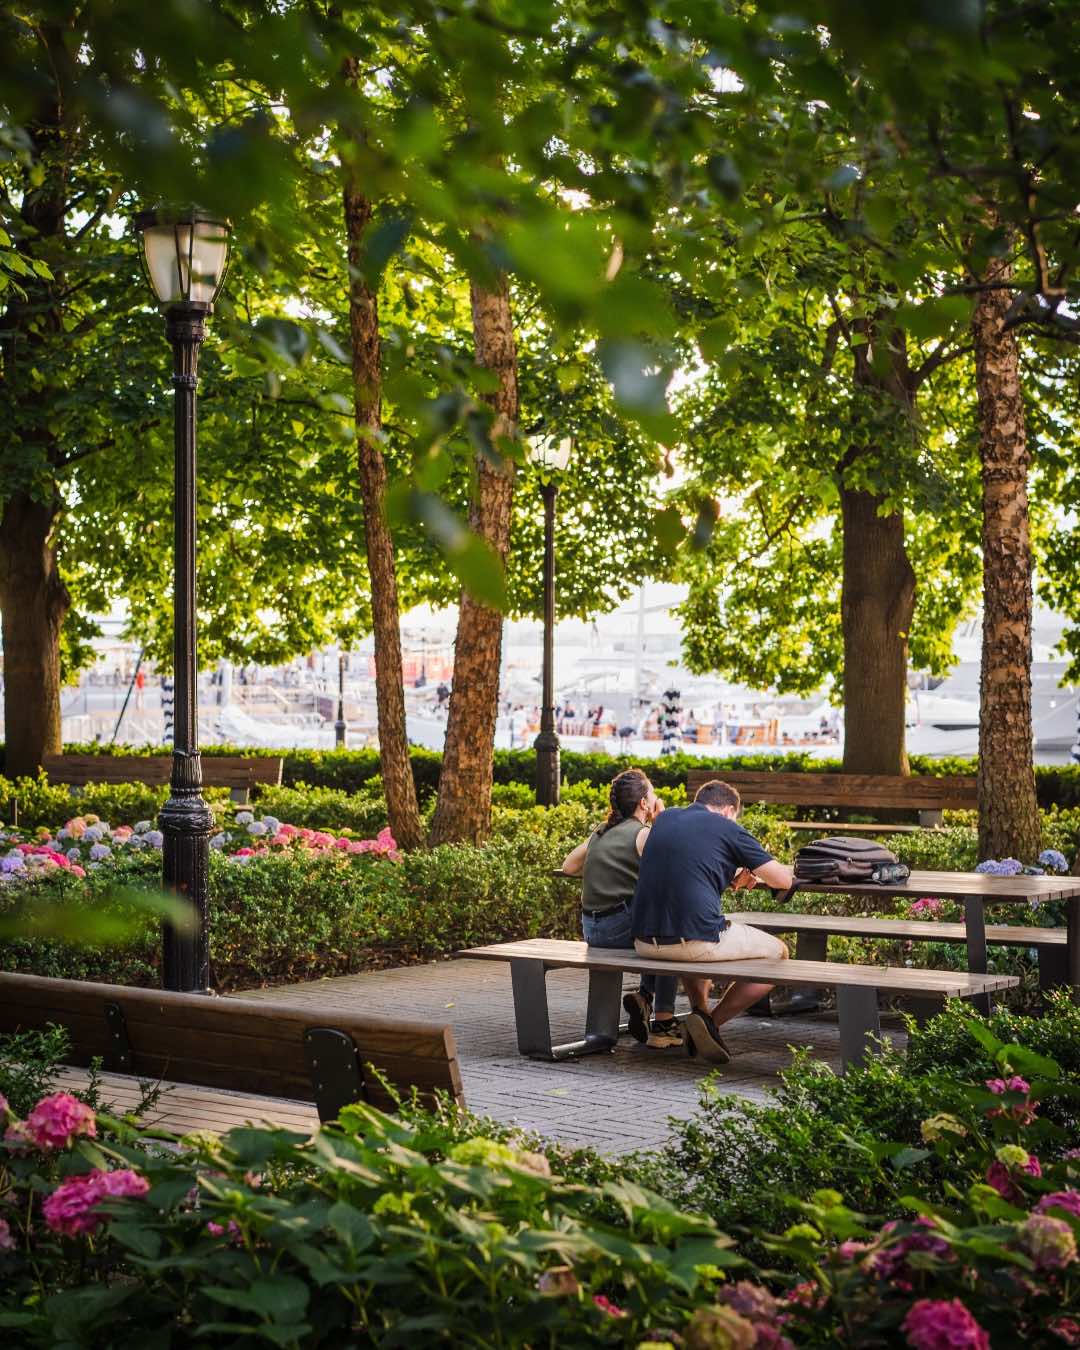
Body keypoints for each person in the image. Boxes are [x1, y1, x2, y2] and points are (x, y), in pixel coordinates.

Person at [631, 779, 794, 1064]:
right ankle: (711, 1024)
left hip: (643, 942)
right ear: (729, 810)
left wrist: (729, 873)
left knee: (697, 935)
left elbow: (685, 865)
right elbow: (782, 879)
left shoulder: (665, 819)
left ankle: (700, 1012)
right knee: (779, 955)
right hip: (693, 942)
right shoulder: (728, 827)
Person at [561, 770, 682, 1049]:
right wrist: (661, 821)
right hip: (620, 928)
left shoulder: (601, 831)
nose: (655, 798)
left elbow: (568, 867)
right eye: (652, 794)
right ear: (643, 803)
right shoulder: (643, 834)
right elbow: (677, 869)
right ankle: (663, 1022)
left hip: (592, 930)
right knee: (672, 938)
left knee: (655, 929)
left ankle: (644, 998)